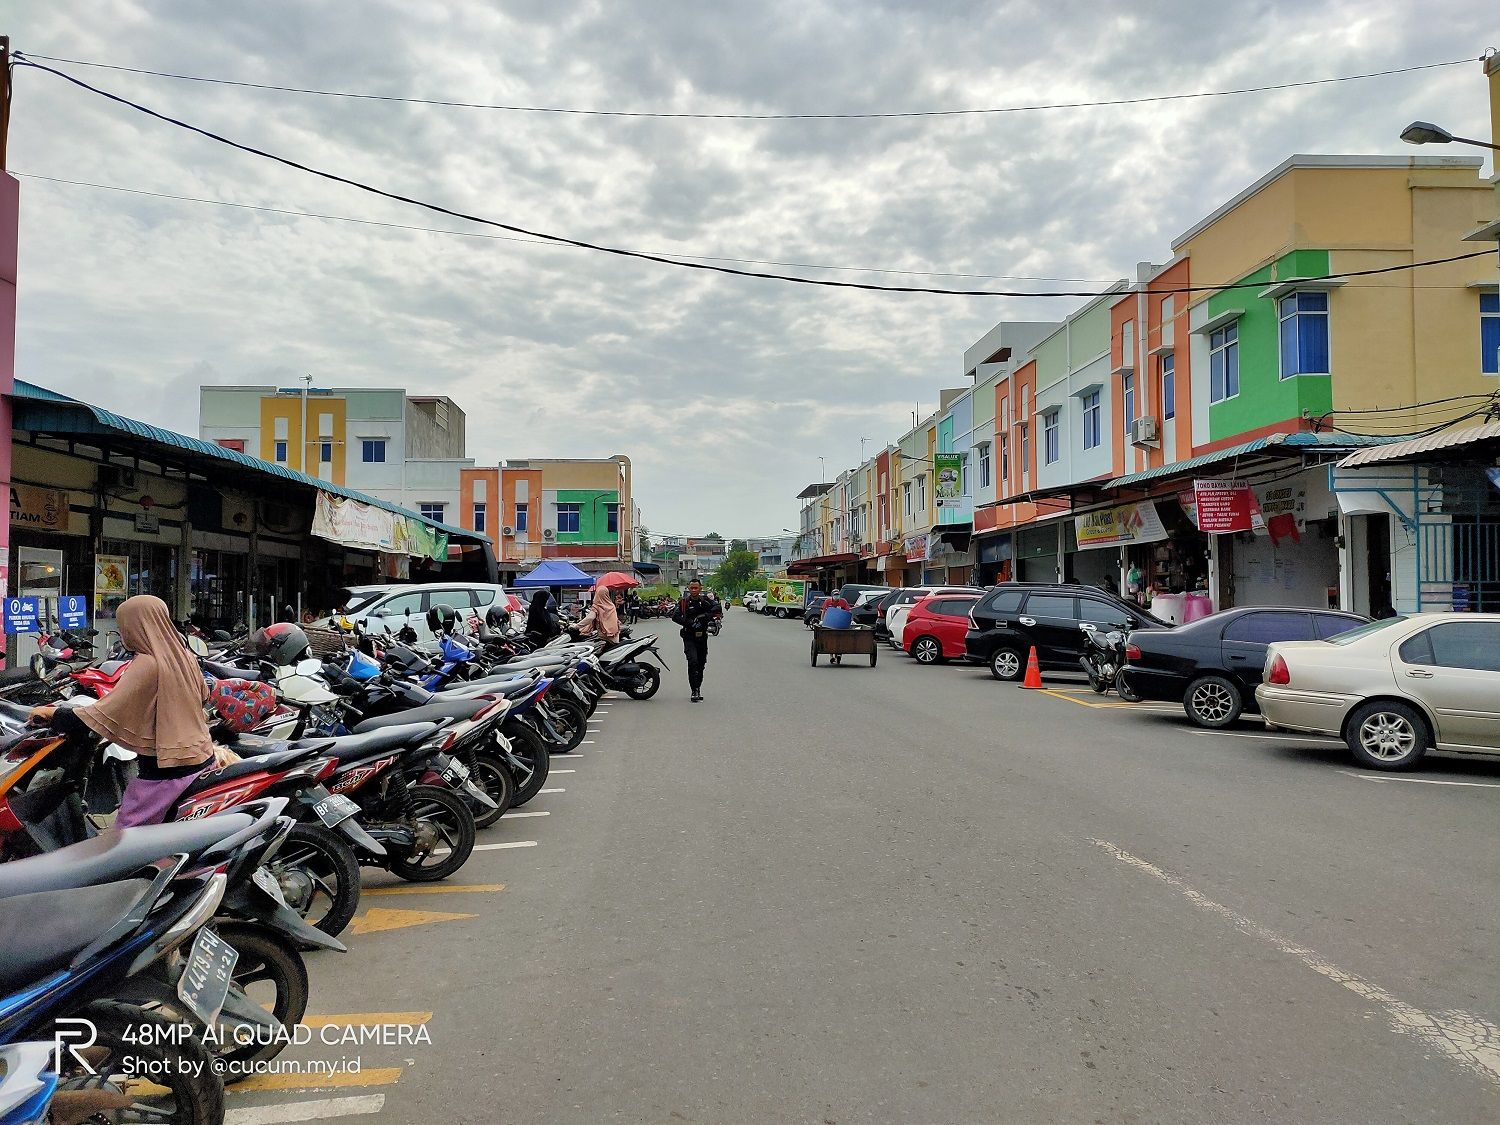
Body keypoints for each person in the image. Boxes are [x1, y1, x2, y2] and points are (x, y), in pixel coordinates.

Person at [30, 594, 218, 827]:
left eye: (123, 626)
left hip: (166, 772)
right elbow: (201, 696)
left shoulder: (148, 663)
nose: (122, 632)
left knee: (125, 838)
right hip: (201, 757)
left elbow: (105, 714)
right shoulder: (185, 656)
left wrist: (52, 714)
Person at [672, 578, 722, 702]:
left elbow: (717, 609)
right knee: (692, 662)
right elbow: (675, 616)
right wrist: (689, 623)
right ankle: (694, 690)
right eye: (691, 588)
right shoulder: (684, 602)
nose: (694, 590)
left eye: (696, 588)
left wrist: (704, 617)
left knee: (700, 664)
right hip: (689, 636)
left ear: (700, 588)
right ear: (688, 589)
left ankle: (698, 687)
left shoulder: (705, 602)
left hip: (702, 637)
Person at [820, 595, 853, 664]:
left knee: (841, 640)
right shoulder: (828, 601)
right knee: (831, 640)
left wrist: (850, 620)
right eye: (835, 595)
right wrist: (822, 620)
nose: (836, 597)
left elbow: (848, 611)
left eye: (837, 595)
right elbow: (823, 611)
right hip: (830, 624)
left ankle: (838, 655)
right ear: (832, 596)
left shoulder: (843, 601)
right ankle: (832, 656)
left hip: (841, 624)